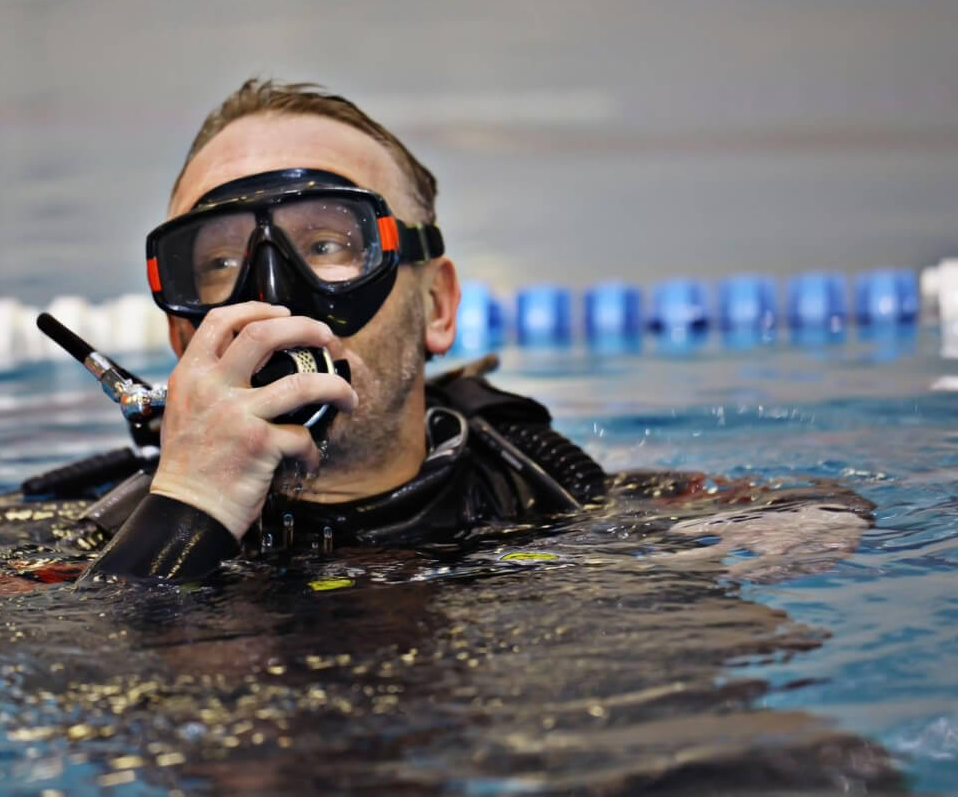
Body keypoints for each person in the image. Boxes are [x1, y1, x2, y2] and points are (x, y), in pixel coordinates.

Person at [83, 78, 608, 582]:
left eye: (327, 245)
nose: (276, 298)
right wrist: (189, 510)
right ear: (182, 339)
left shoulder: (566, 510)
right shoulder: (90, 544)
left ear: (437, 307)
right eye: (221, 261)